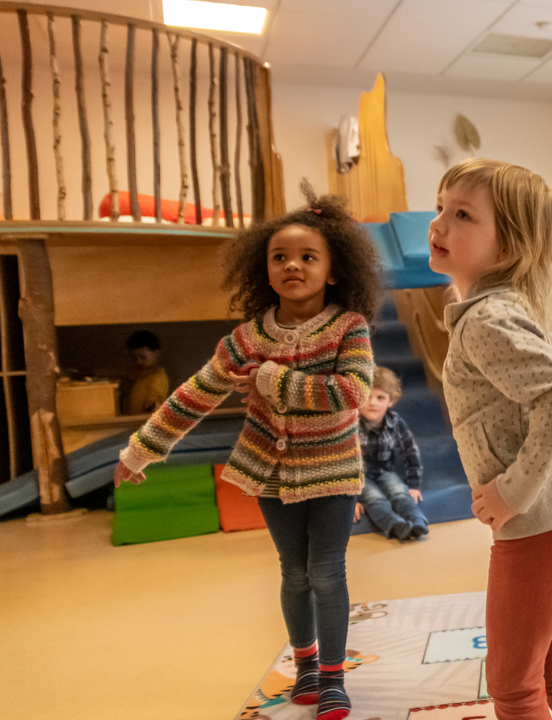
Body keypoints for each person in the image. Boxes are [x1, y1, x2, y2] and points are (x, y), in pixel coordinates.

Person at [113, 190, 380, 720]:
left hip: (332, 472)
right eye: (279, 257)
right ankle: (304, 663)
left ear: (332, 270)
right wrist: (140, 451)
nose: (292, 266)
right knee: (293, 571)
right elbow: (194, 394)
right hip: (270, 473)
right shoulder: (244, 337)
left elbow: (350, 393)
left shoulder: (349, 328)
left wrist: (268, 378)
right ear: (264, 269)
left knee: (327, 571)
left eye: (308, 257)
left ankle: (331, 676)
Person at [430, 158, 552, 720]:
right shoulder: (495, 310)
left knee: (514, 688)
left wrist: (514, 492)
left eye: (461, 214)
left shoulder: (486, 319)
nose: (438, 223)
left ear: (507, 247)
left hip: (543, 523)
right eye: (440, 207)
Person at [354, 366, 430, 540]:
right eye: (367, 397)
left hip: (384, 471)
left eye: (380, 397)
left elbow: (410, 451)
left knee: (399, 493)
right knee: (374, 498)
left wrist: (414, 484)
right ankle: (394, 525)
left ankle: (417, 520)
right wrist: (350, 500)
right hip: (358, 477)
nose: (373, 403)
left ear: (390, 401)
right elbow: (341, 463)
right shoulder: (352, 424)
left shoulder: (395, 421)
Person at [123, 329, 169, 414]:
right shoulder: (138, 374)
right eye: (134, 358)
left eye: (143, 357)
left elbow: (155, 399)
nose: (138, 362)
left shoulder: (158, 375)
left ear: (156, 353)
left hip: (144, 420)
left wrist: (152, 405)